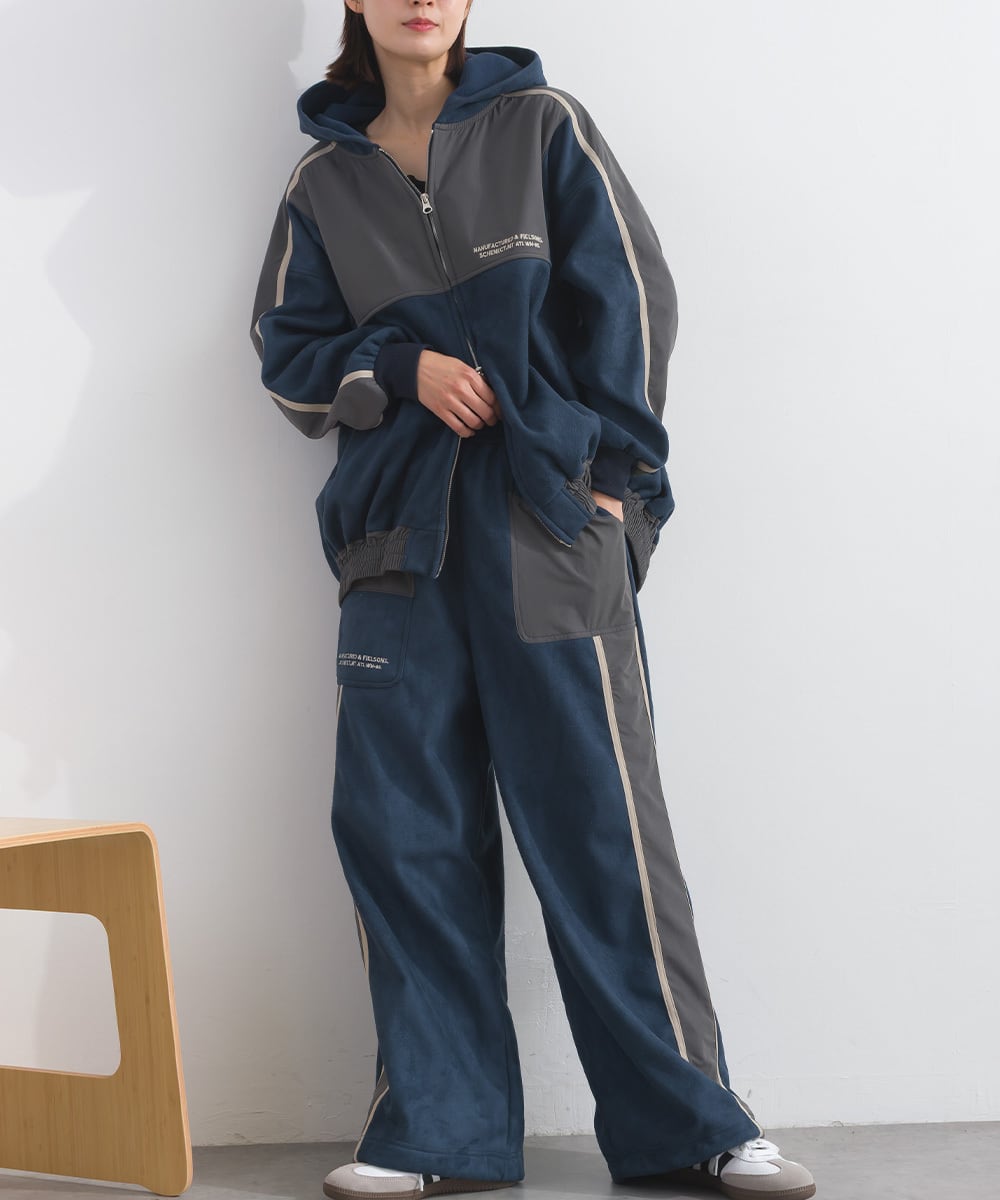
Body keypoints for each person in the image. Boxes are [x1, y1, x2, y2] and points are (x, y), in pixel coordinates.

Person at [249, 4, 817, 1199]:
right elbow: (289, 359)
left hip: (547, 529)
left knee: (602, 830)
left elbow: (633, 303)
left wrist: (616, 486)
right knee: (404, 837)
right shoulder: (323, 183)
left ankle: (693, 1124)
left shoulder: (541, 126)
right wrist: (394, 366)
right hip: (396, 546)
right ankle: (435, 1136)